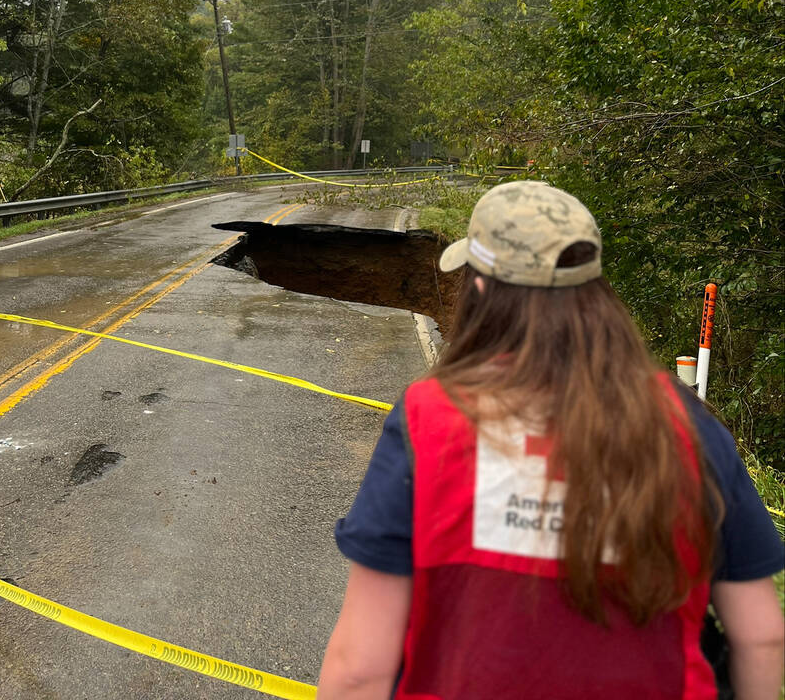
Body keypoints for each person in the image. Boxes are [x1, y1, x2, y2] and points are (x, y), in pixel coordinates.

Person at [316, 181, 784, 700]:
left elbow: (361, 667)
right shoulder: (686, 423)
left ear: (481, 290)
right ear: (593, 289)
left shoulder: (429, 418)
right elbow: (762, 637)